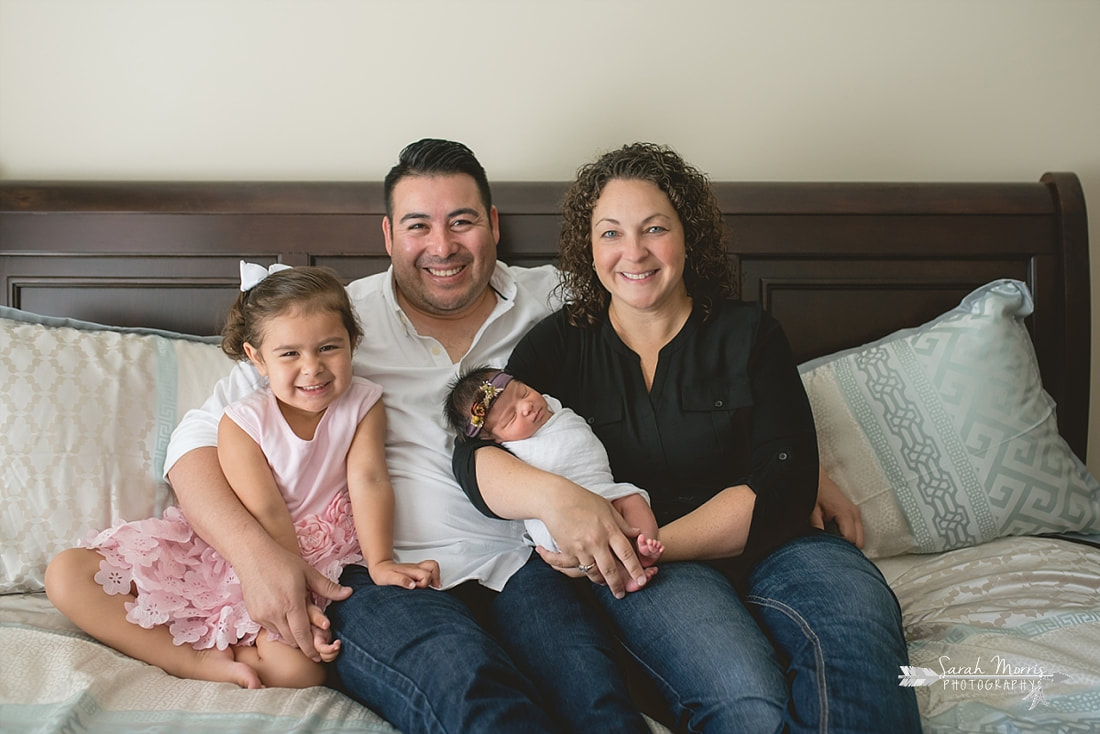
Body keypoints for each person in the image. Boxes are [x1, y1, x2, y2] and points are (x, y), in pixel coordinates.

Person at [161, 138, 867, 733]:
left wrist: (795, 468)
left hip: (530, 565)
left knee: (597, 702)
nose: (442, 247)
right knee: (477, 698)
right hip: (396, 571)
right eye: (417, 225)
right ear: (387, 236)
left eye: (462, 221)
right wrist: (255, 555)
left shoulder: (563, 300)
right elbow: (192, 444)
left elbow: (668, 356)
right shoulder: (334, 324)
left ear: (493, 223)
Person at [455, 142, 922, 733]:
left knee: (859, 644)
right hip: (661, 579)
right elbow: (472, 453)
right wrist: (558, 502)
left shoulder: (749, 333)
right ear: (587, 246)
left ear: (687, 234)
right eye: (611, 233)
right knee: (749, 705)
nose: (634, 253)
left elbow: (785, 480)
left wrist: (650, 545)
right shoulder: (560, 344)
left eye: (655, 228)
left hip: (776, 547)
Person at [44, 264, 439, 690]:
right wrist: (290, 586)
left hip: (320, 552)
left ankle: (239, 648)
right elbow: (265, 508)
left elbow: (370, 481)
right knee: (66, 575)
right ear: (257, 359)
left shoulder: (363, 404)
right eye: (290, 353)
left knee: (299, 672)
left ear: (352, 343)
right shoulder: (241, 422)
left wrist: (380, 562)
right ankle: (190, 659)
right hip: (249, 546)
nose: (313, 368)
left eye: (329, 347)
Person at [444, 365, 663, 591]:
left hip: (601, 486)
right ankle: (624, 574)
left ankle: (643, 547)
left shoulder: (551, 404)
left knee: (634, 499)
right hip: (559, 519)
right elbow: (472, 460)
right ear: (493, 438)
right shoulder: (510, 448)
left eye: (523, 393)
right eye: (511, 417)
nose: (527, 407)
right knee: (592, 535)